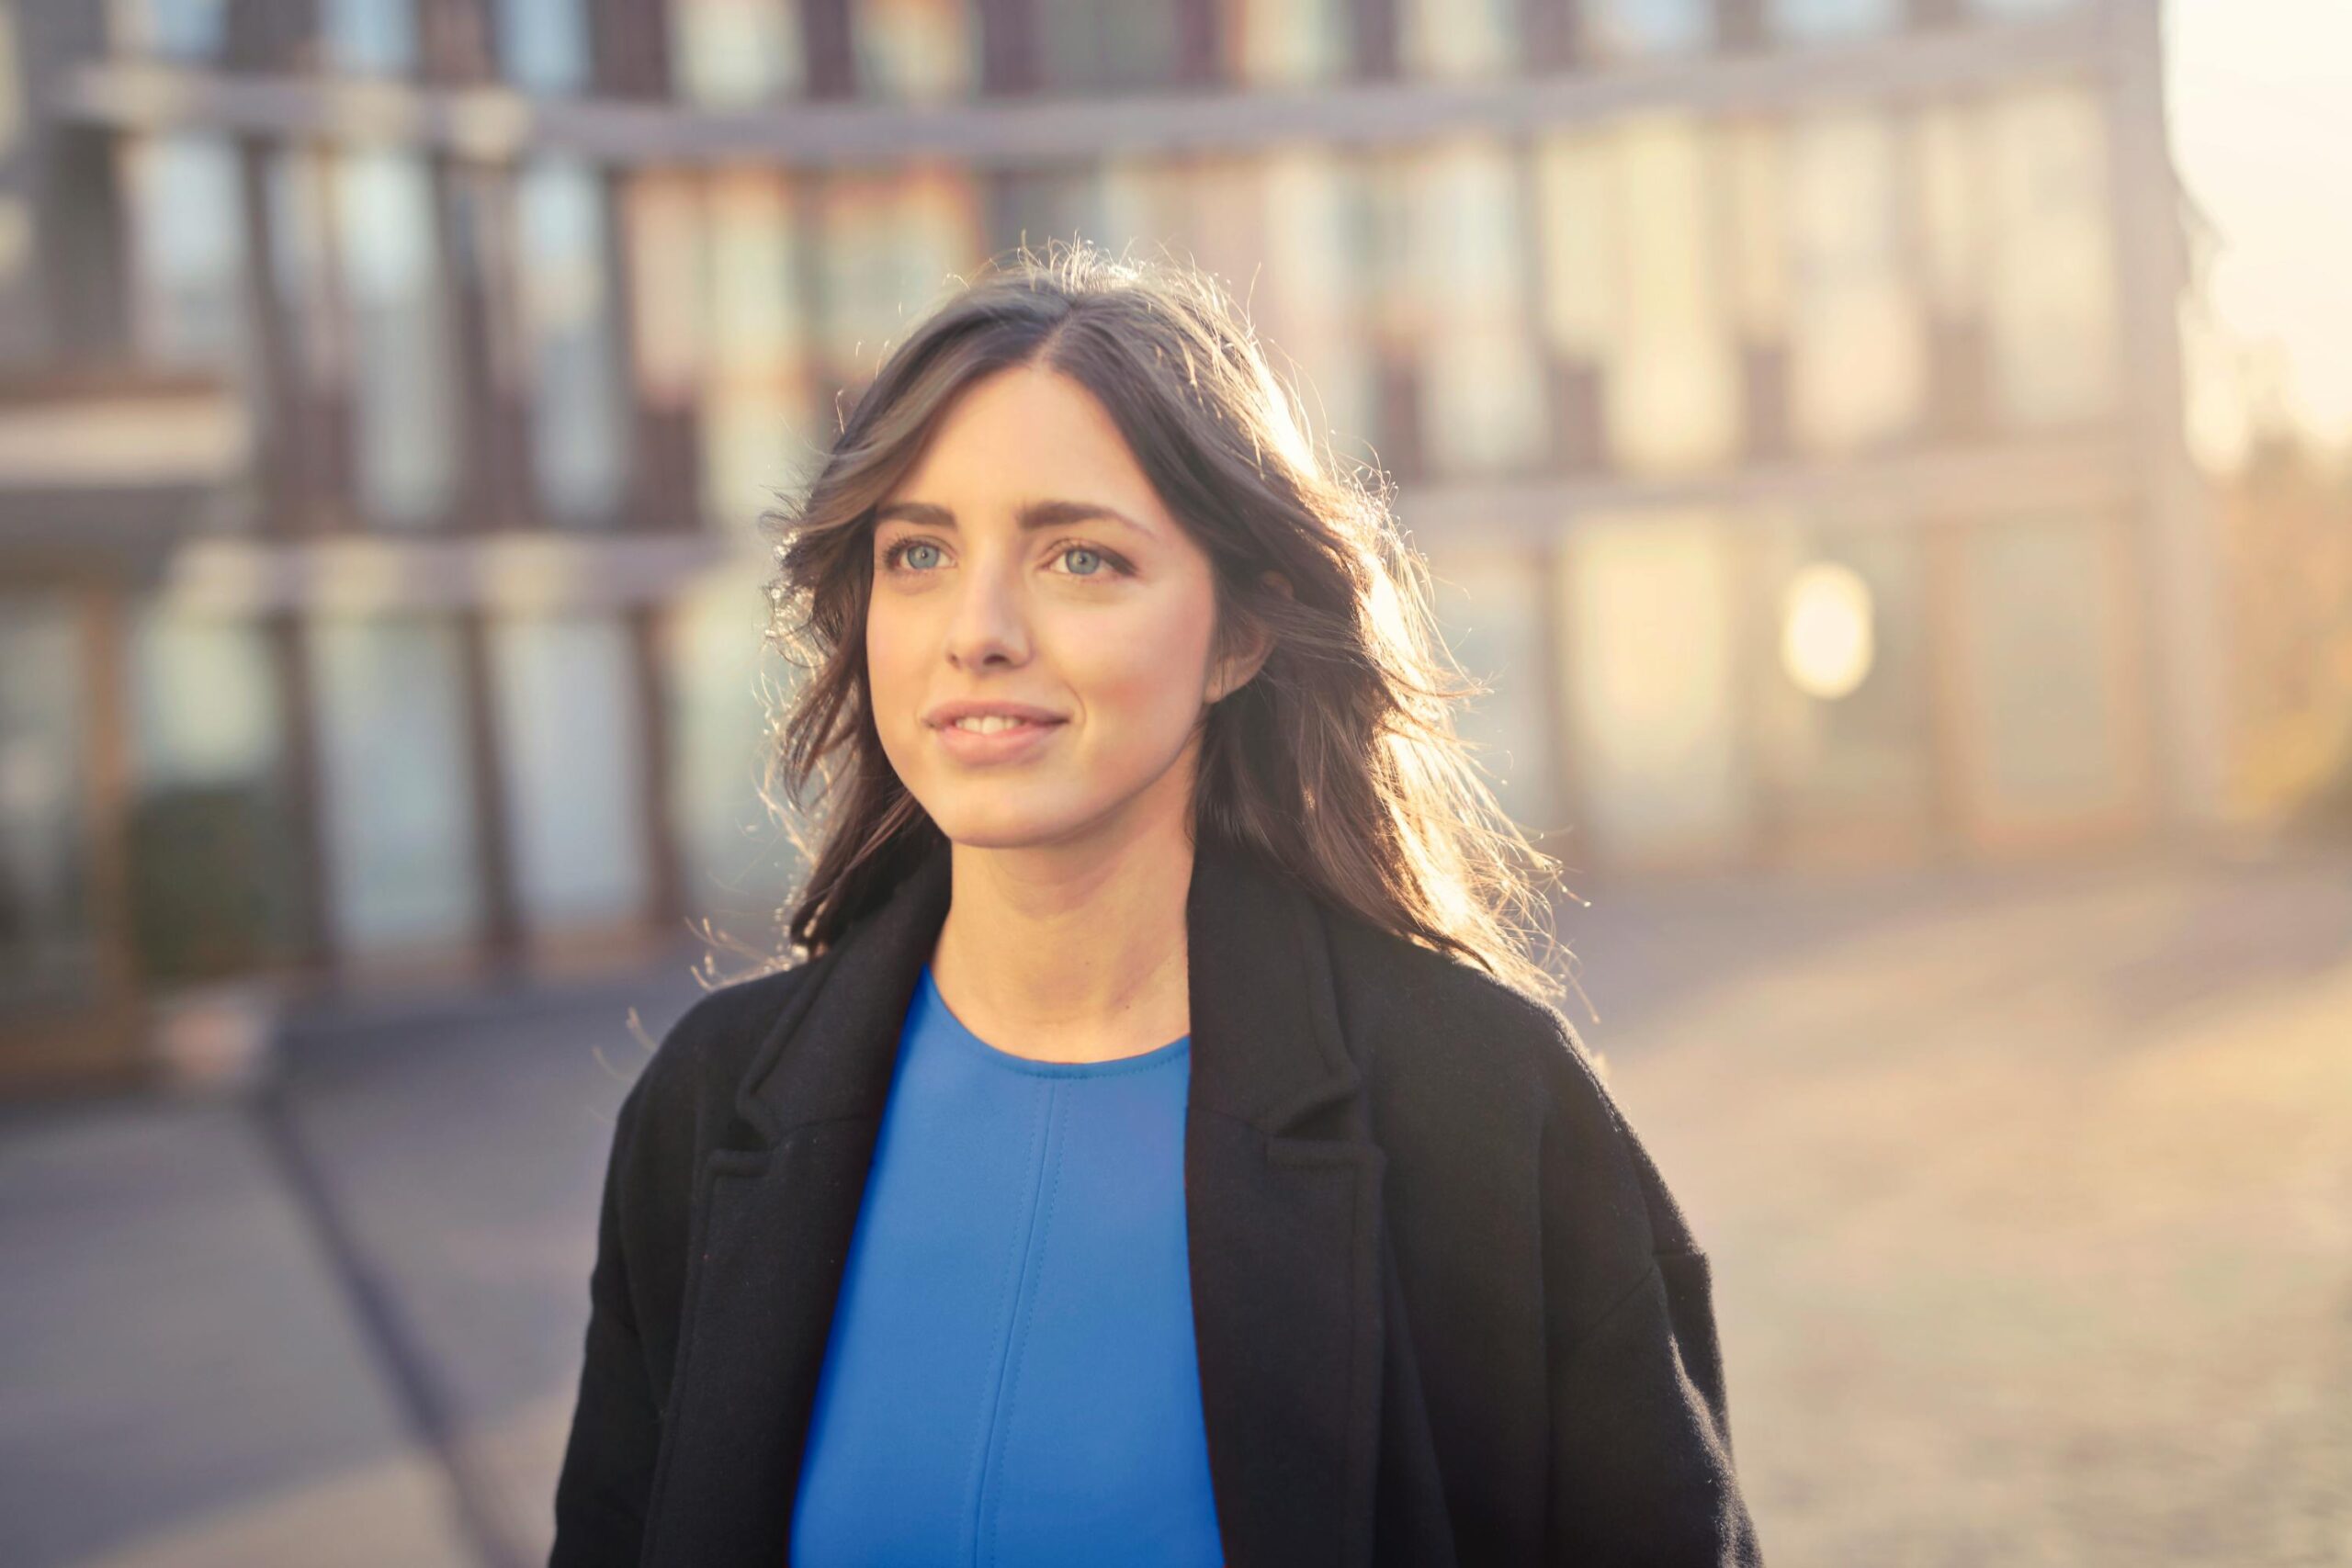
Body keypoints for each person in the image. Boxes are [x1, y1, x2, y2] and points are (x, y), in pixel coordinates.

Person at [548, 240, 1762, 1568]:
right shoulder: (712, 1109)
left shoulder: (1481, 1106)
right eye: (918, 554)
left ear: (1241, 632)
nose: (979, 630)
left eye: (1080, 560)